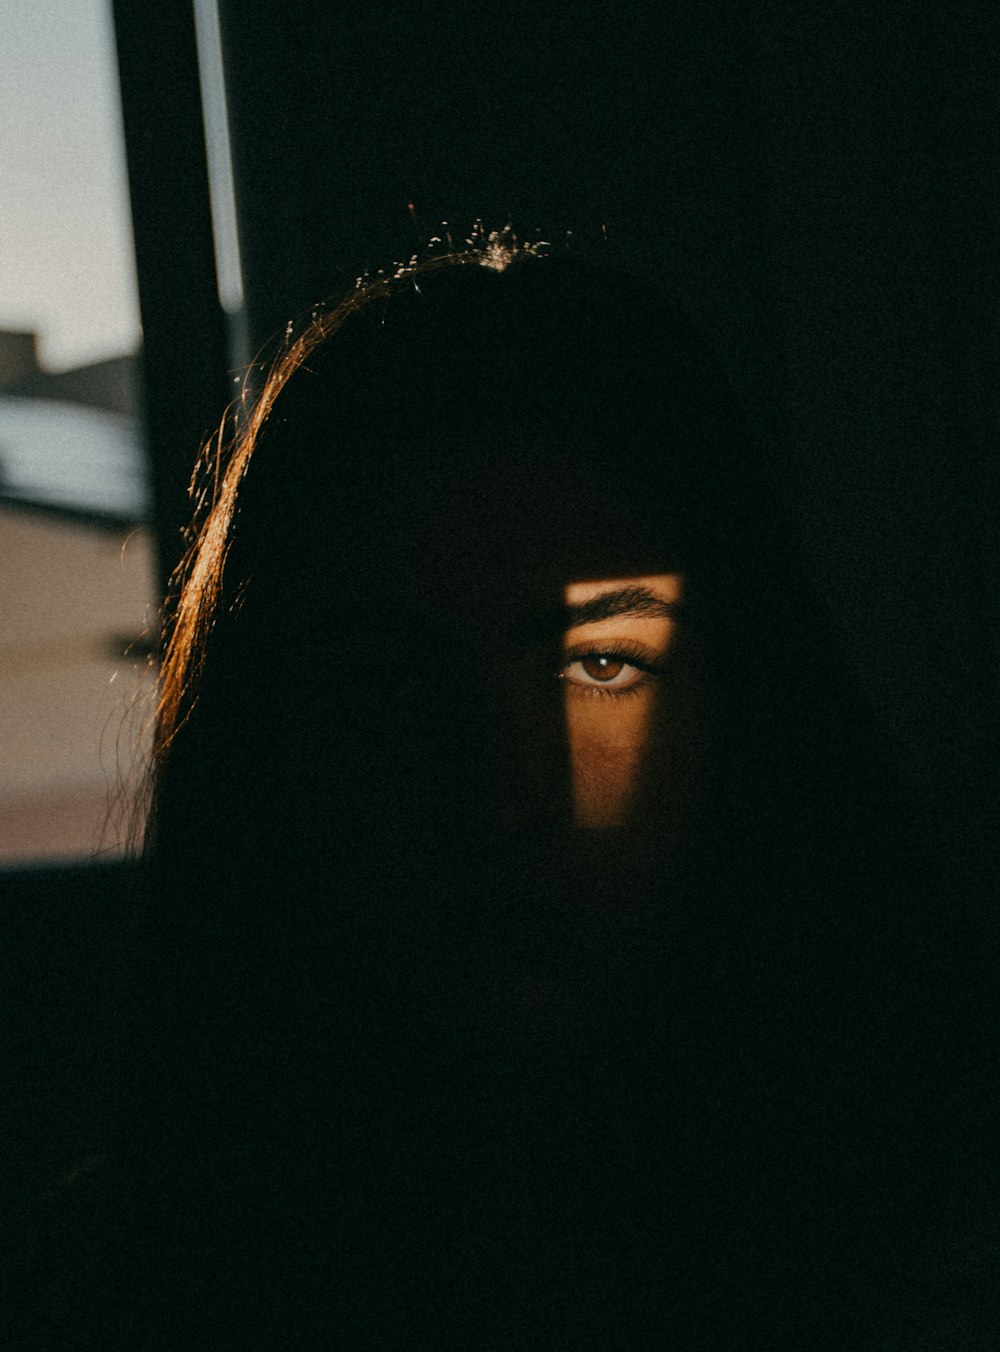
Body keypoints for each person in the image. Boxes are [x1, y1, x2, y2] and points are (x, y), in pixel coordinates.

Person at [107, 236, 993, 1347]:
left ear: (744, 688)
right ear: (277, 737)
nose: (499, 792)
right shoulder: (131, 1275)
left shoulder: (946, 1222)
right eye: (393, 688)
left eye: (601, 665)